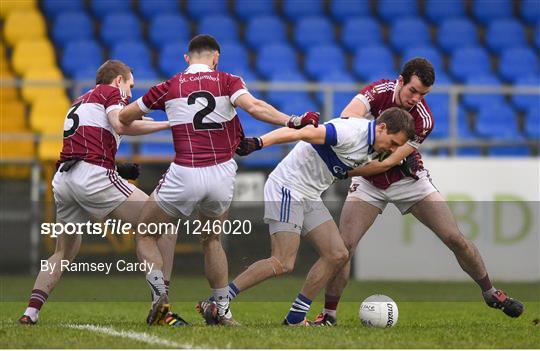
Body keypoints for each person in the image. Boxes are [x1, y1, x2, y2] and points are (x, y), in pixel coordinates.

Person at [118, 34, 319, 326]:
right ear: (216, 58)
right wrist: (292, 120)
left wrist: (153, 116)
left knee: (146, 232)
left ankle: (160, 296)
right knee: (212, 239)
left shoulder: (168, 86)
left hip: (185, 171)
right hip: (222, 173)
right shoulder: (228, 80)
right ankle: (222, 310)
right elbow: (254, 107)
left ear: (187, 59)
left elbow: (124, 117)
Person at [312, 58, 524, 326]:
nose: (416, 98)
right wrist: (357, 152)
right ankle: (329, 315)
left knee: (454, 238)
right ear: (400, 81)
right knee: (345, 247)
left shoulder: (423, 119)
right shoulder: (379, 91)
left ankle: (491, 293)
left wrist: (345, 169)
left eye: (423, 94)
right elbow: (347, 118)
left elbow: (389, 162)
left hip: (408, 181)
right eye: (413, 90)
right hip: (368, 182)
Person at [198, 107, 416, 326]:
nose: (393, 148)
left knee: (338, 254)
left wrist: (390, 164)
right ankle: (217, 301)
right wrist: (259, 142)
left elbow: (350, 169)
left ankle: (295, 317)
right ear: (382, 127)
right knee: (283, 261)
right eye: (394, 143)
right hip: (287, 187)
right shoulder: (348, 132)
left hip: (309, 193)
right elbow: (299, 133)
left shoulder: (375, 146)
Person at [18, 60, 184, 325]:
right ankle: (161, 302)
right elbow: (120, 125)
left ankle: (31, 311)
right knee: (162, 225)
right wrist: (169, 125)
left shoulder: (79, 101)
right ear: (118, 80)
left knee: (64, 251)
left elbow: (90, 141)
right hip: (91, 176)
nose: (130, 94)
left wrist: (118, 167)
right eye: (130, 85)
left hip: (64, 179)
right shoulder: (111, 93)